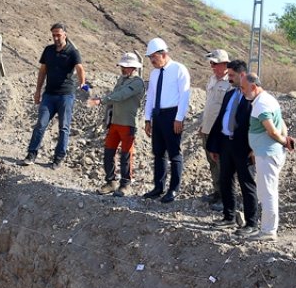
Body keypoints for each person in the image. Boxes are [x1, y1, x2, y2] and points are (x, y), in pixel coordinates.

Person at [206, 60, 259, 231]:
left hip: (244, 148)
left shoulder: (252, 96)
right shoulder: (229, 95)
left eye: (231, 75)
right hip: (226, 144)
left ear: (242, 75)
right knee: (225, 181)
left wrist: (254, 148)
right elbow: (221, 119)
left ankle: (251, 223)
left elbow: (257, 124)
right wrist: (214, 146)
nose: (229, 78)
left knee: (247, 184)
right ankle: (228, 217)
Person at [23, 23, 86, 167]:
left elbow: (80, 68)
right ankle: (31, 154)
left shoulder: (72, 52)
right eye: (54, 35)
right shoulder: (48, 50)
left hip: (65, 96)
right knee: (40, 124)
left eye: (58, 34)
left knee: (64, 127)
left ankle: (58, 158)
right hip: (49, 95)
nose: (56, 38)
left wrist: (82, 82)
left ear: (65, 34)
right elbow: (42, 71)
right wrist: (38, 91)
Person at [244, 73, 295, 241]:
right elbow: (282, 124)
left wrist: (283, 142)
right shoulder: (267, 99)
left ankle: (268, 231)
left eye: (244, 88)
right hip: (265, 152)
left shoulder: (262, 104)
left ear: (253, 86)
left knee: (267, 193)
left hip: (268, 154)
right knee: (266, 191)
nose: (242, 92)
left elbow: (272, 130)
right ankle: (267, 228)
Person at [142, 38, 191, 203]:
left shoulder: (179, 69)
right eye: (150, 58)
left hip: (172, 115)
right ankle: (158, 187)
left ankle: (174, 189)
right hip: (158, 115)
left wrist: (179, 118)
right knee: (158, 153)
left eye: (153, 57)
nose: (151, 61)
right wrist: (147, 119)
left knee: (174, 153)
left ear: (163, 54)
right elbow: (150, 97)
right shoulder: (155, 73)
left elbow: (184, 95)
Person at [94, 52, 146, 196]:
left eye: (126, 66)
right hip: (115, 122)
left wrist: (102, 100)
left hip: (128, 123)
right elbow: (116, 95)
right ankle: (111, 182)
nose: (123, 69)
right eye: (122, 66)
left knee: (126, 155)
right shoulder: (121, 79)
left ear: (133, 67)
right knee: (108, 153)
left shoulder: (137, 82)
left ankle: (125, 185)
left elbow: (121, 95)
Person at [198, 49, 233, 210]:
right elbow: (209, 104)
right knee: (212, 163)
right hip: (208, 129)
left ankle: (226, 198)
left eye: (215, 63)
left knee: (223, 165)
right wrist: (203, 125)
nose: (212, 66)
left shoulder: (230, 83)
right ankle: (217, 192)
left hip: (220, 132)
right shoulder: (212, 79)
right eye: (211, 63)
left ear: (225, 64)